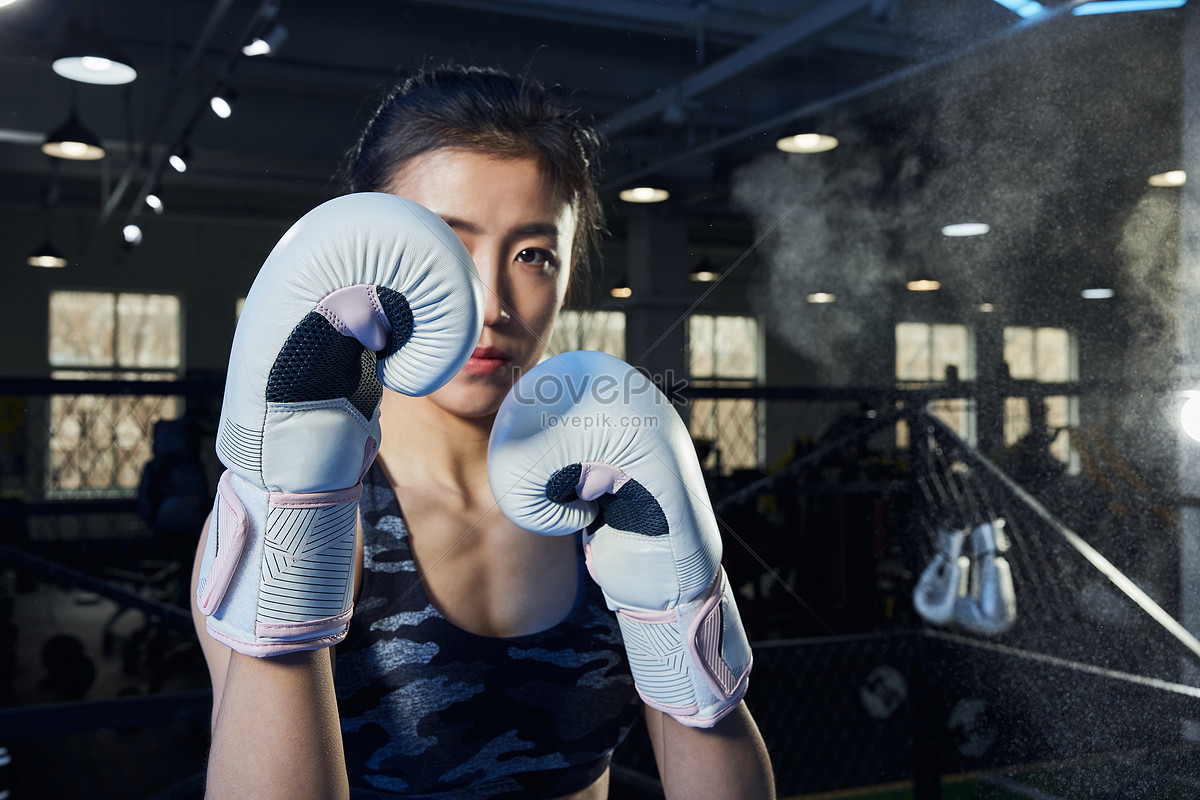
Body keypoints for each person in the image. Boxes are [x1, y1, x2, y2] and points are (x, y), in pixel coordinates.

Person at [190, 64, 775, 800]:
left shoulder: (614, 487)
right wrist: (293, 521)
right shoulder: (282, 513)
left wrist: (690, 616)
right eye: (442, 243)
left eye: (532, 255)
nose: (492, 302)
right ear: (365, 251)